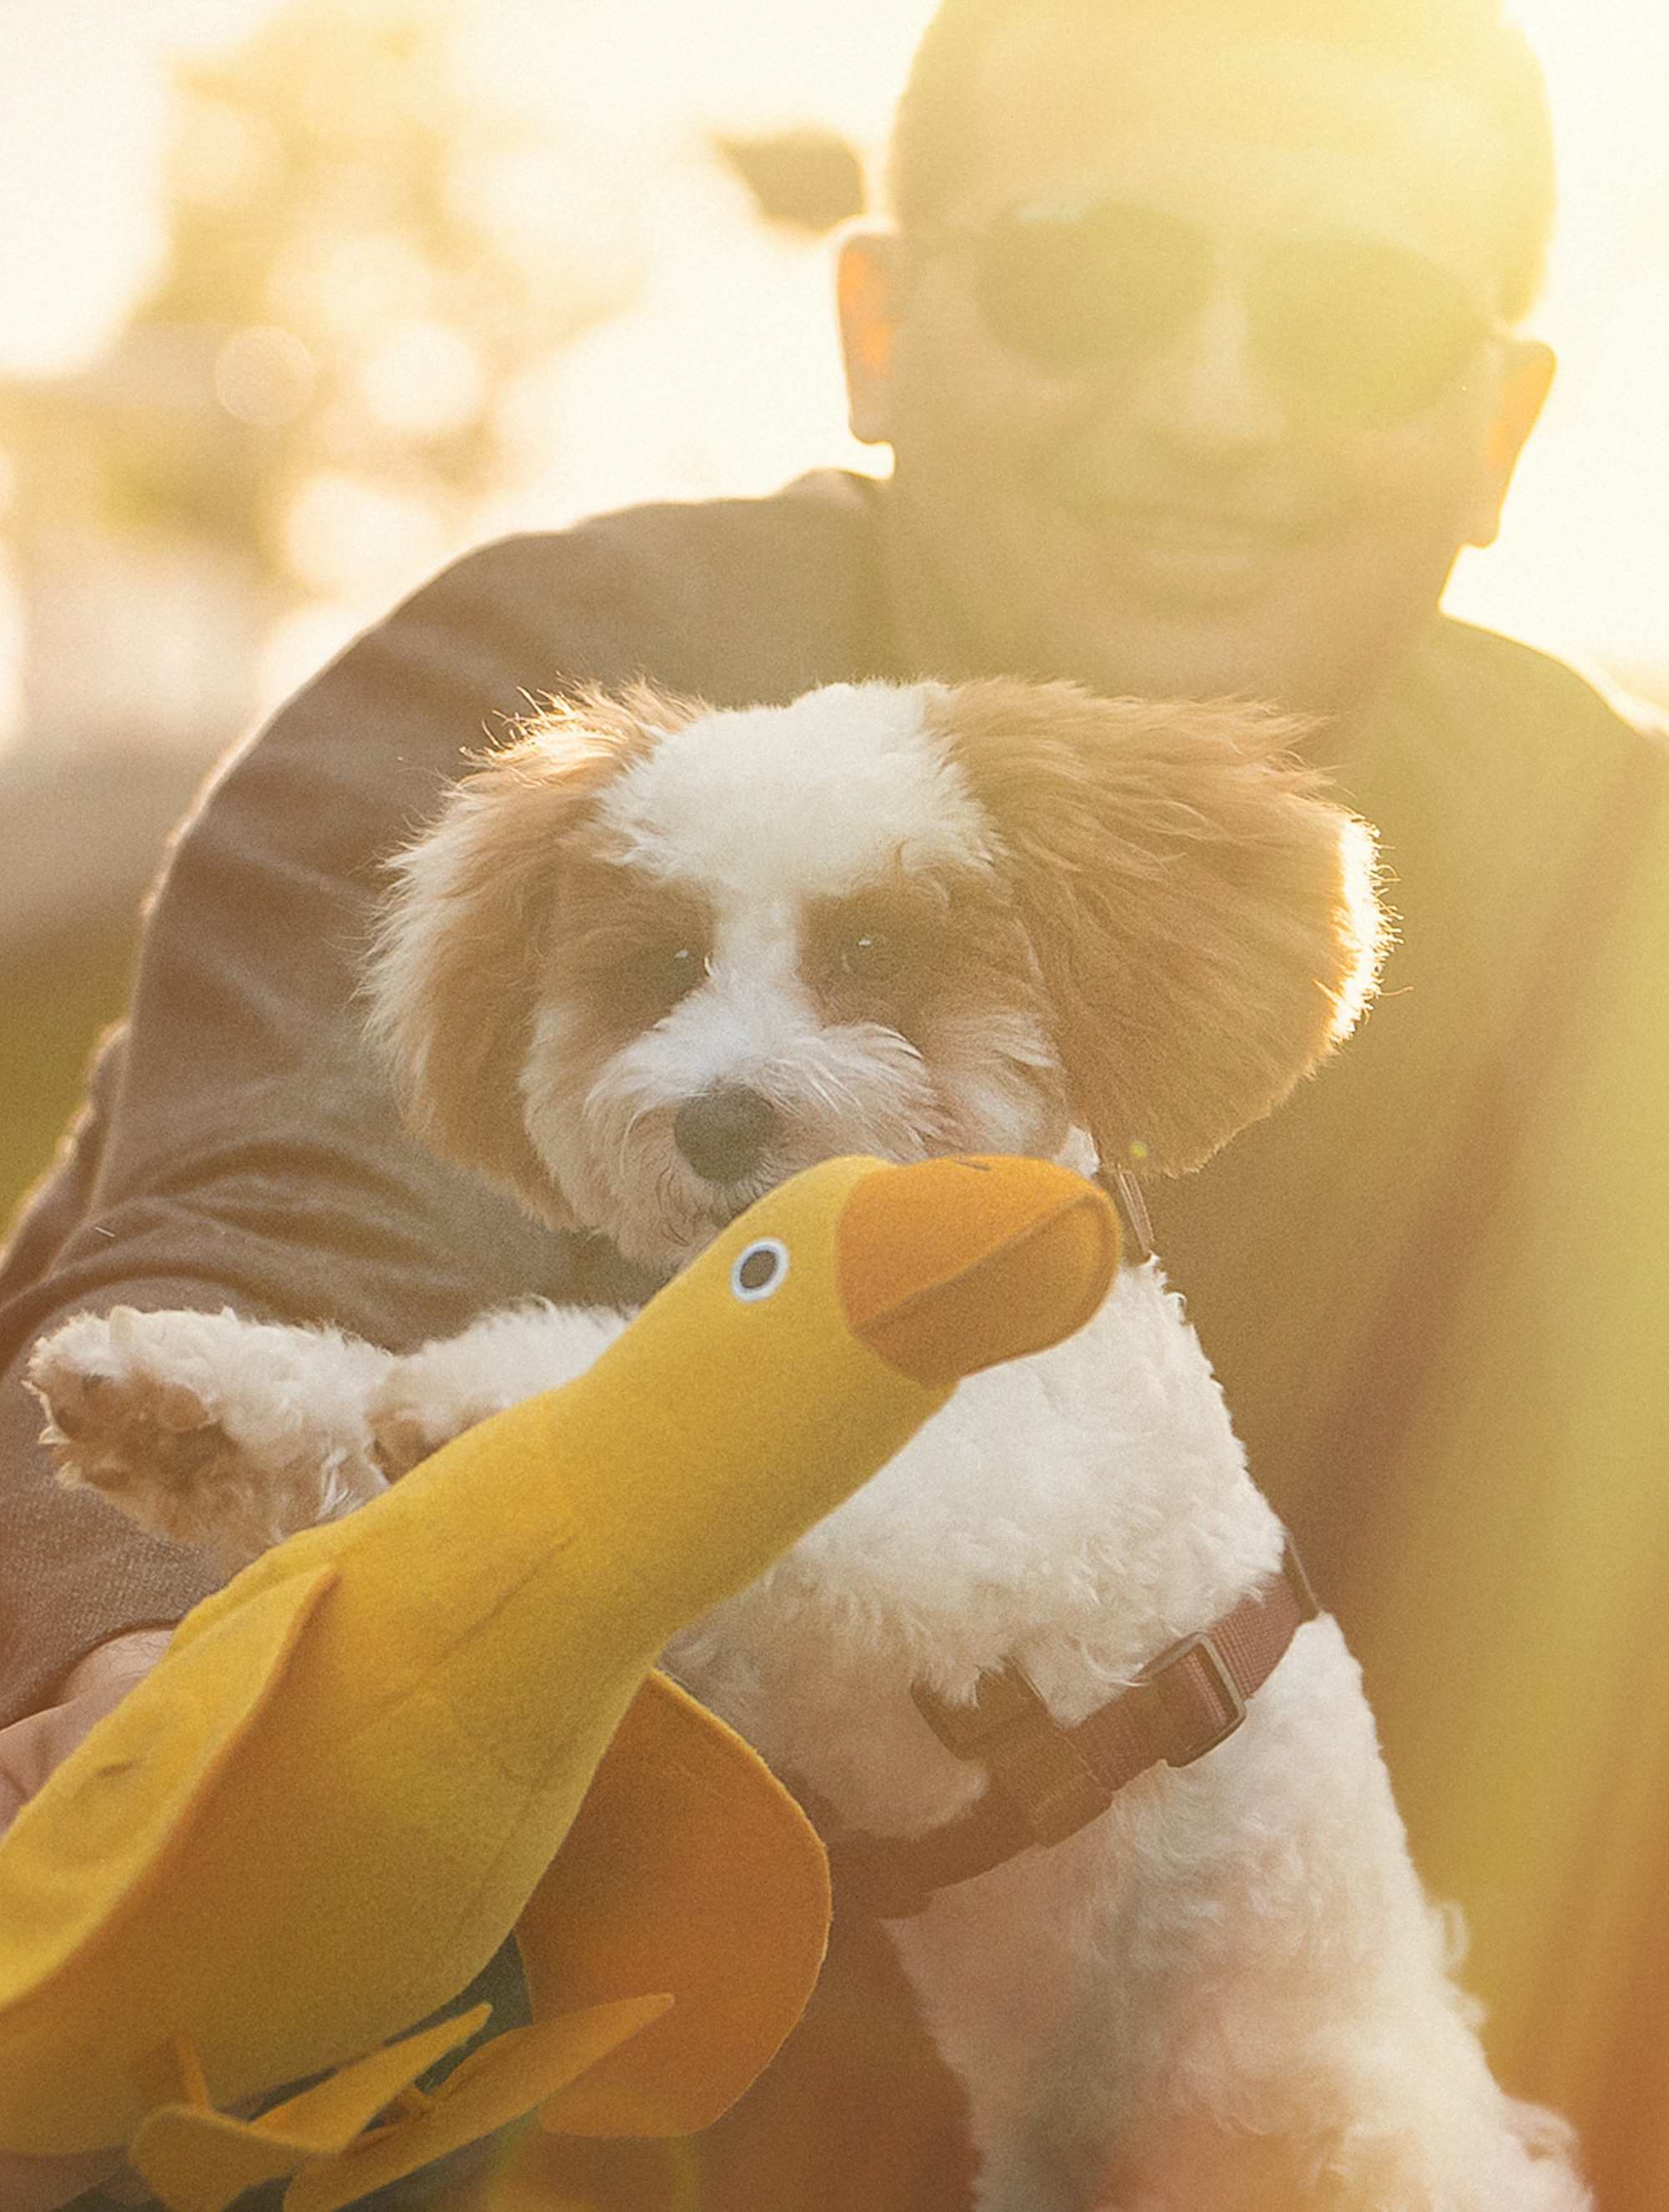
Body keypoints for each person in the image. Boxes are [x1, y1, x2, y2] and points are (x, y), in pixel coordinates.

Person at [2, 0, 1665, 2205]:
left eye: (1360, 318)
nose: (1216, 403)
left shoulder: (1606, 865)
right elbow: (283, 1212)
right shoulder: (550, 698)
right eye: (1096, 278)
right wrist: (155, 1686)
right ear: (881, 323)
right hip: (565, 2085)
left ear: (1502, 428)